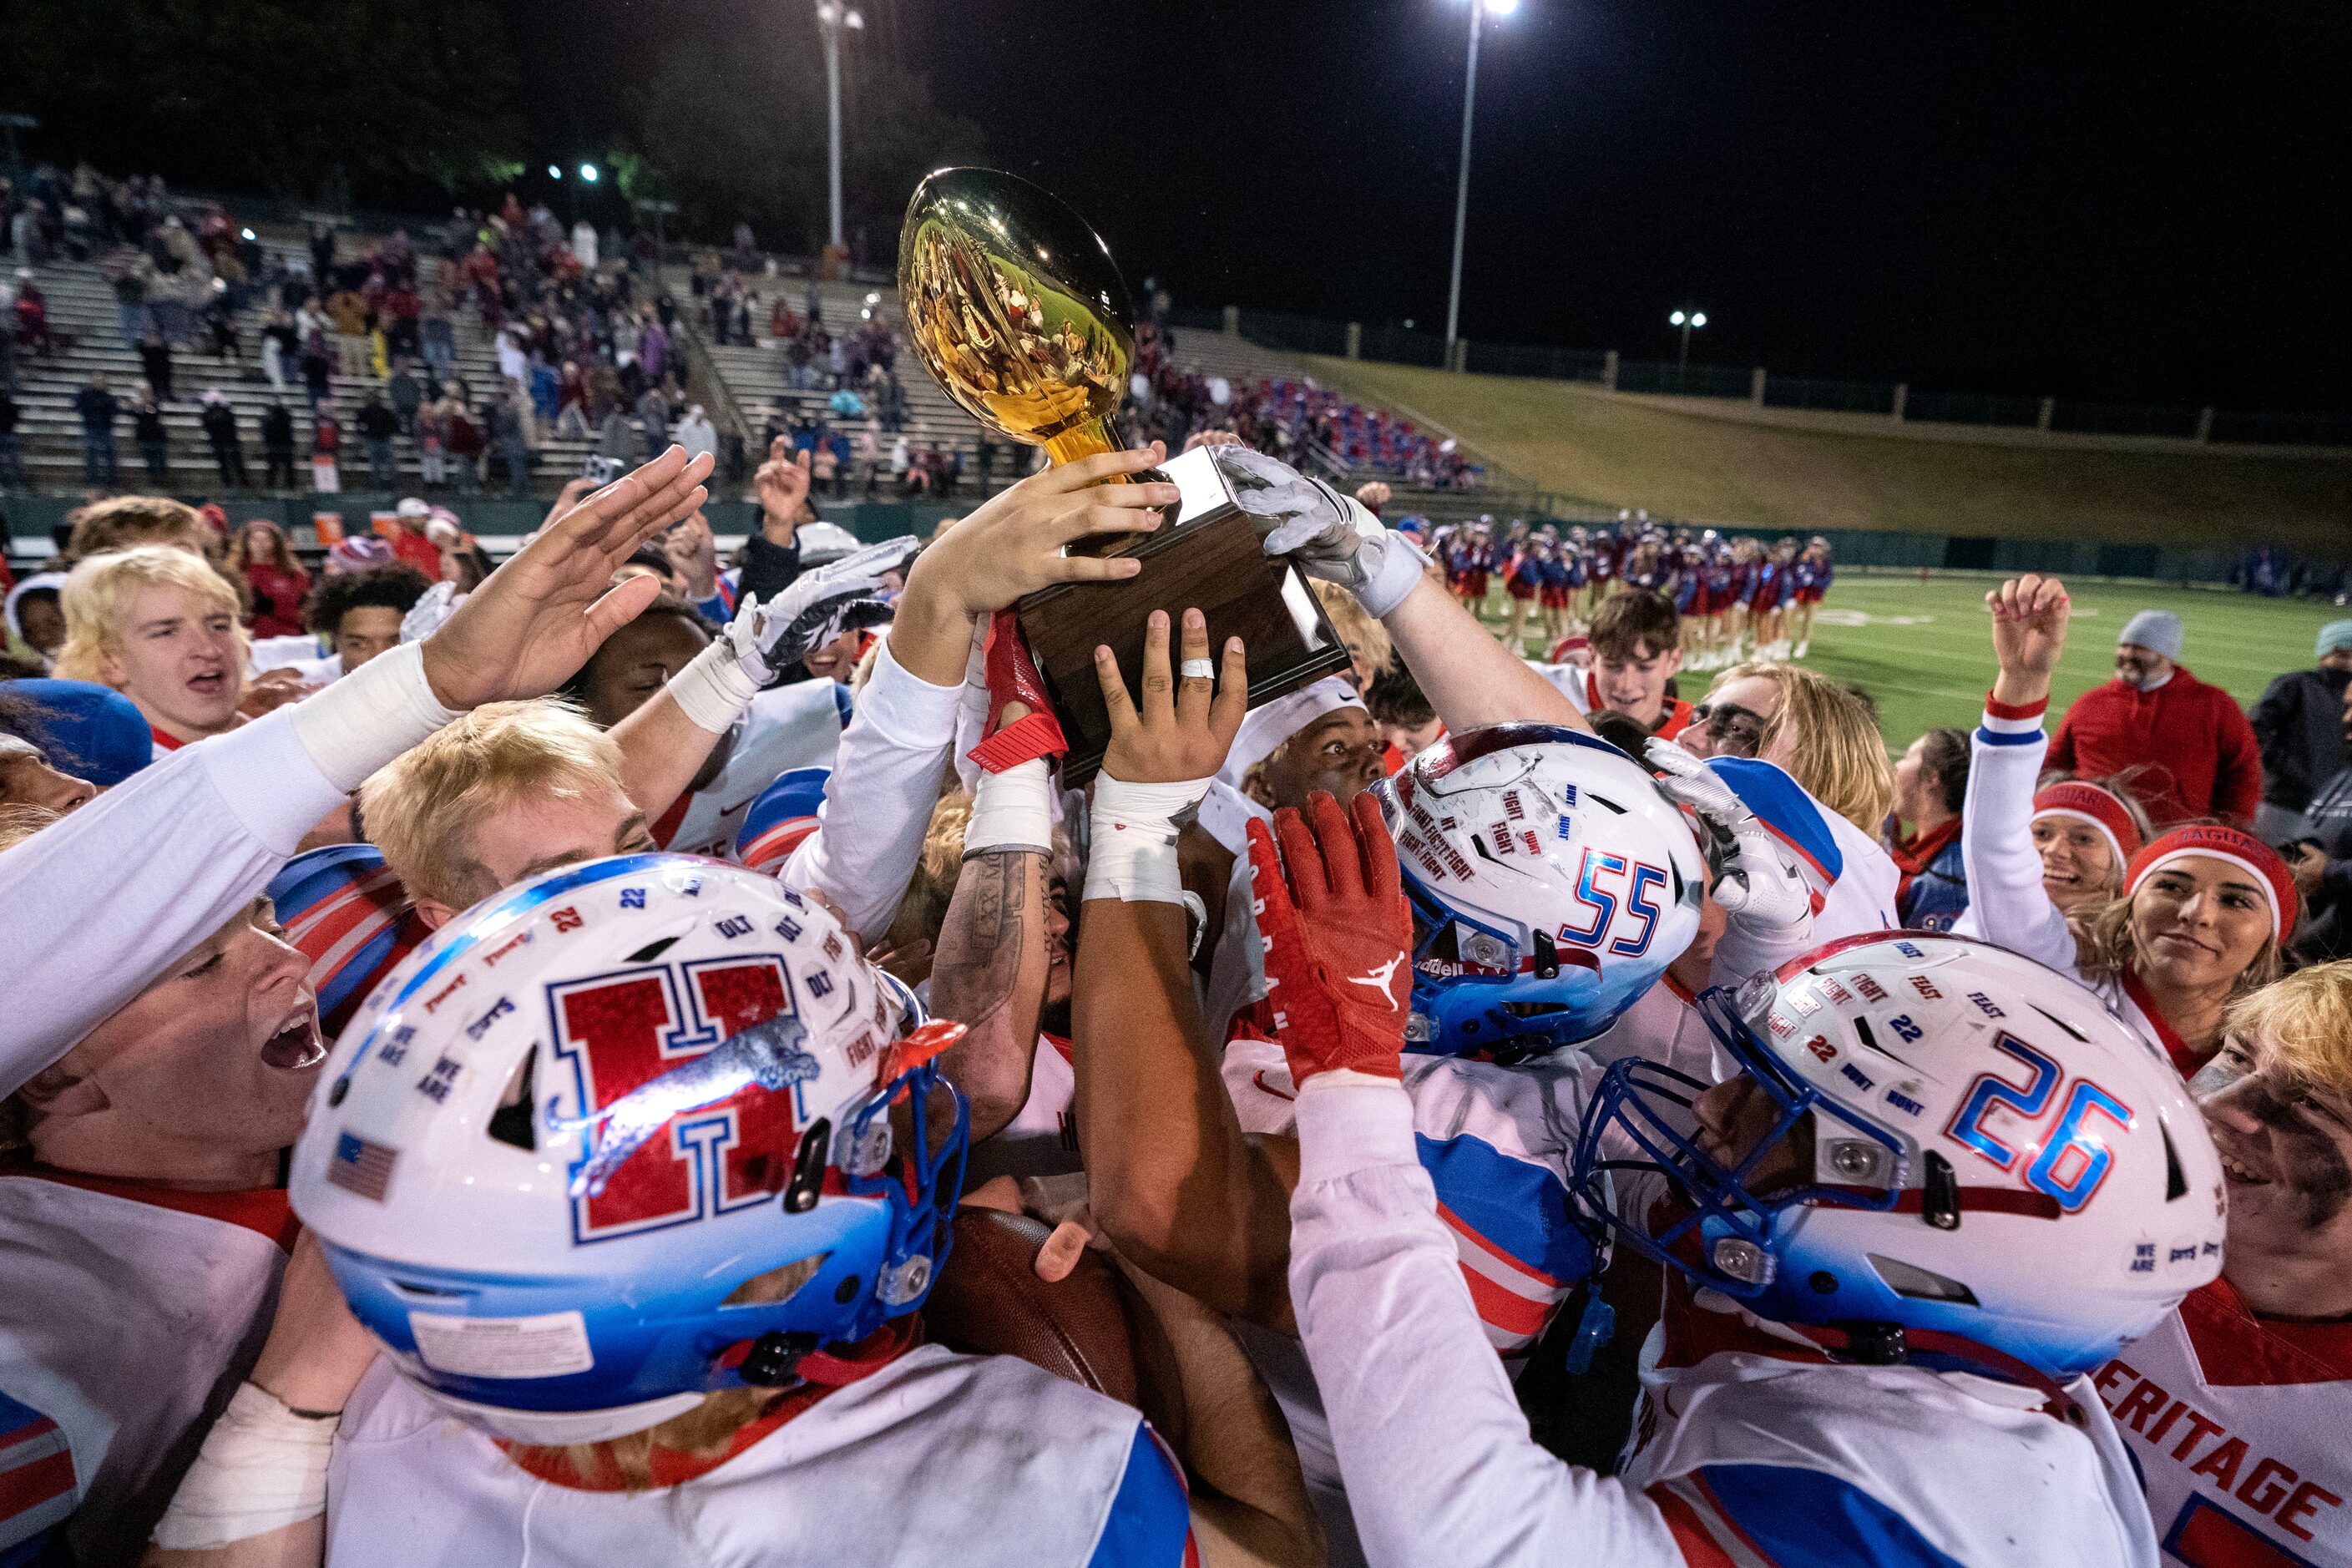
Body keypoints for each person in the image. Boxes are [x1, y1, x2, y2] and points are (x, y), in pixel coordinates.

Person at [1267, 797, 2226, 1568]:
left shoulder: (1913, 1514)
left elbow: (1464, 1533)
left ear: (1909, 1237)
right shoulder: (1935, 1343)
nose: (1711, 1113)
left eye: (1771, 1111)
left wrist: (1348, 1083)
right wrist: (1773, 945)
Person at [1963, 575, 2289, 1073]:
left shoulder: (2282, 1058)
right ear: (2132, 902)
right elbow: (1998, 848)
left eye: (2236, 899)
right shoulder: (2066, 964)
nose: (2197, 914)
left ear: (2273, 937)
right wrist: (2021, 687)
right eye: (2172, 889)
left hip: (2175, 836)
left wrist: (2227, 831)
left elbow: (2244, 772)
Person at [2050, 607, 2263, 827]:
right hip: (2097, 832)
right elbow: (2054, 764)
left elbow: (2243, 771)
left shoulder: (2214, 705)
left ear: (2167, 654)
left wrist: (2232, 827)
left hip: (2175, 840)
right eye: (2124, 645)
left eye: (2141, 648)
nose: (2128, 655)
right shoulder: (2091, 702)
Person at [49, 545, 248, 758]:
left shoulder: (273, 733)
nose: (209, 649)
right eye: (166, 632)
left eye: (219, 626)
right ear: (111, 662)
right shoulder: (114, 781)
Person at [2248, 618, 2352, 842]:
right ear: (2323, 653)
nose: (2350, 663)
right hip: (2285, 801)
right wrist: (2285, 767)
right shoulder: (2296, 685)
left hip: (2334, 809)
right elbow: (2254, 729)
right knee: (2267, 862)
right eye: (2343, 655)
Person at [1544, 589, 1692, 740]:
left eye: (1644, 667)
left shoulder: (1699, 739)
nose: (1626, 685)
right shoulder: (1557, 716)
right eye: (1613, 666)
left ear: (1673, 662)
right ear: (1592, 658)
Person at [1888, 725, 1970, 929]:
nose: (1895, 767)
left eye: (1907, 757)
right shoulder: (1929, 848)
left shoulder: (1945, 883)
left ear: (1933, 777)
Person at [301, 563, 430, 676]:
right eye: (359, 645)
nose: (377, 657)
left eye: (395, 642)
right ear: (336, 641)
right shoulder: (302, 691)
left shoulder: (444, 694)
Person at [226, 518, 311, 640]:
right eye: (255, 539)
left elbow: (303, 608)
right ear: (246, 543)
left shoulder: (292, 572)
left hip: (291, 637)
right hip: (254, 639)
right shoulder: (236, 573)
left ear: (276, 543)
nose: (261, 544)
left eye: (267, 539)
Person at [199, 388, 250, 489]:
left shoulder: (213, 412)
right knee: (231, 463)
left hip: (224, 441)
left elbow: (206, 424)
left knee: (231, 463)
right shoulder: (223, 411)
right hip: (224, 441)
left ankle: (235, 482)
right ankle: (236, 482)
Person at [76, 372, 120, 487]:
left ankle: (112, 481)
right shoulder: (86, 395)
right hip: (91, 428)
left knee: (110, 454)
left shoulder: (109, 397)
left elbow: (114, 411)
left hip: (105, 429)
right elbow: (77, 405)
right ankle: (92, 481)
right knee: (91, 454)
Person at [355, 387, 398, 490]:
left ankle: (395, 488)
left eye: (374, 397)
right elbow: (359, 427)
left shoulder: (385, 412)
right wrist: (367, 434)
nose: (372, 399)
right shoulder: (364, 413)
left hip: (385, 441)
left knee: (391, 465)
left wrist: (387, 432)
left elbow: (393, 424)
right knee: (375, 467)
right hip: (372, 442)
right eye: (370, 397)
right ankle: (378, 489)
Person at [133, 383, 169, 484]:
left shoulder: (154, 403)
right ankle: (153, 478)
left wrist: (145, 406)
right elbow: (137, 414)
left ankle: (161, 478)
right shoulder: (137, 405)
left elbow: (153, 413)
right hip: (144, 436)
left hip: (157, 436)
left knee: (160, 460)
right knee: (149, 461)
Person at [260, 399, 296, 490]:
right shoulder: (283, 418)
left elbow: (266, 433)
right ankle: (285, 486)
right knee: (278, 470)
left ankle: (284, 486)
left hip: (280, 447)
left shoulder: (272, 419)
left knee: (283, 470)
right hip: (279, 447)